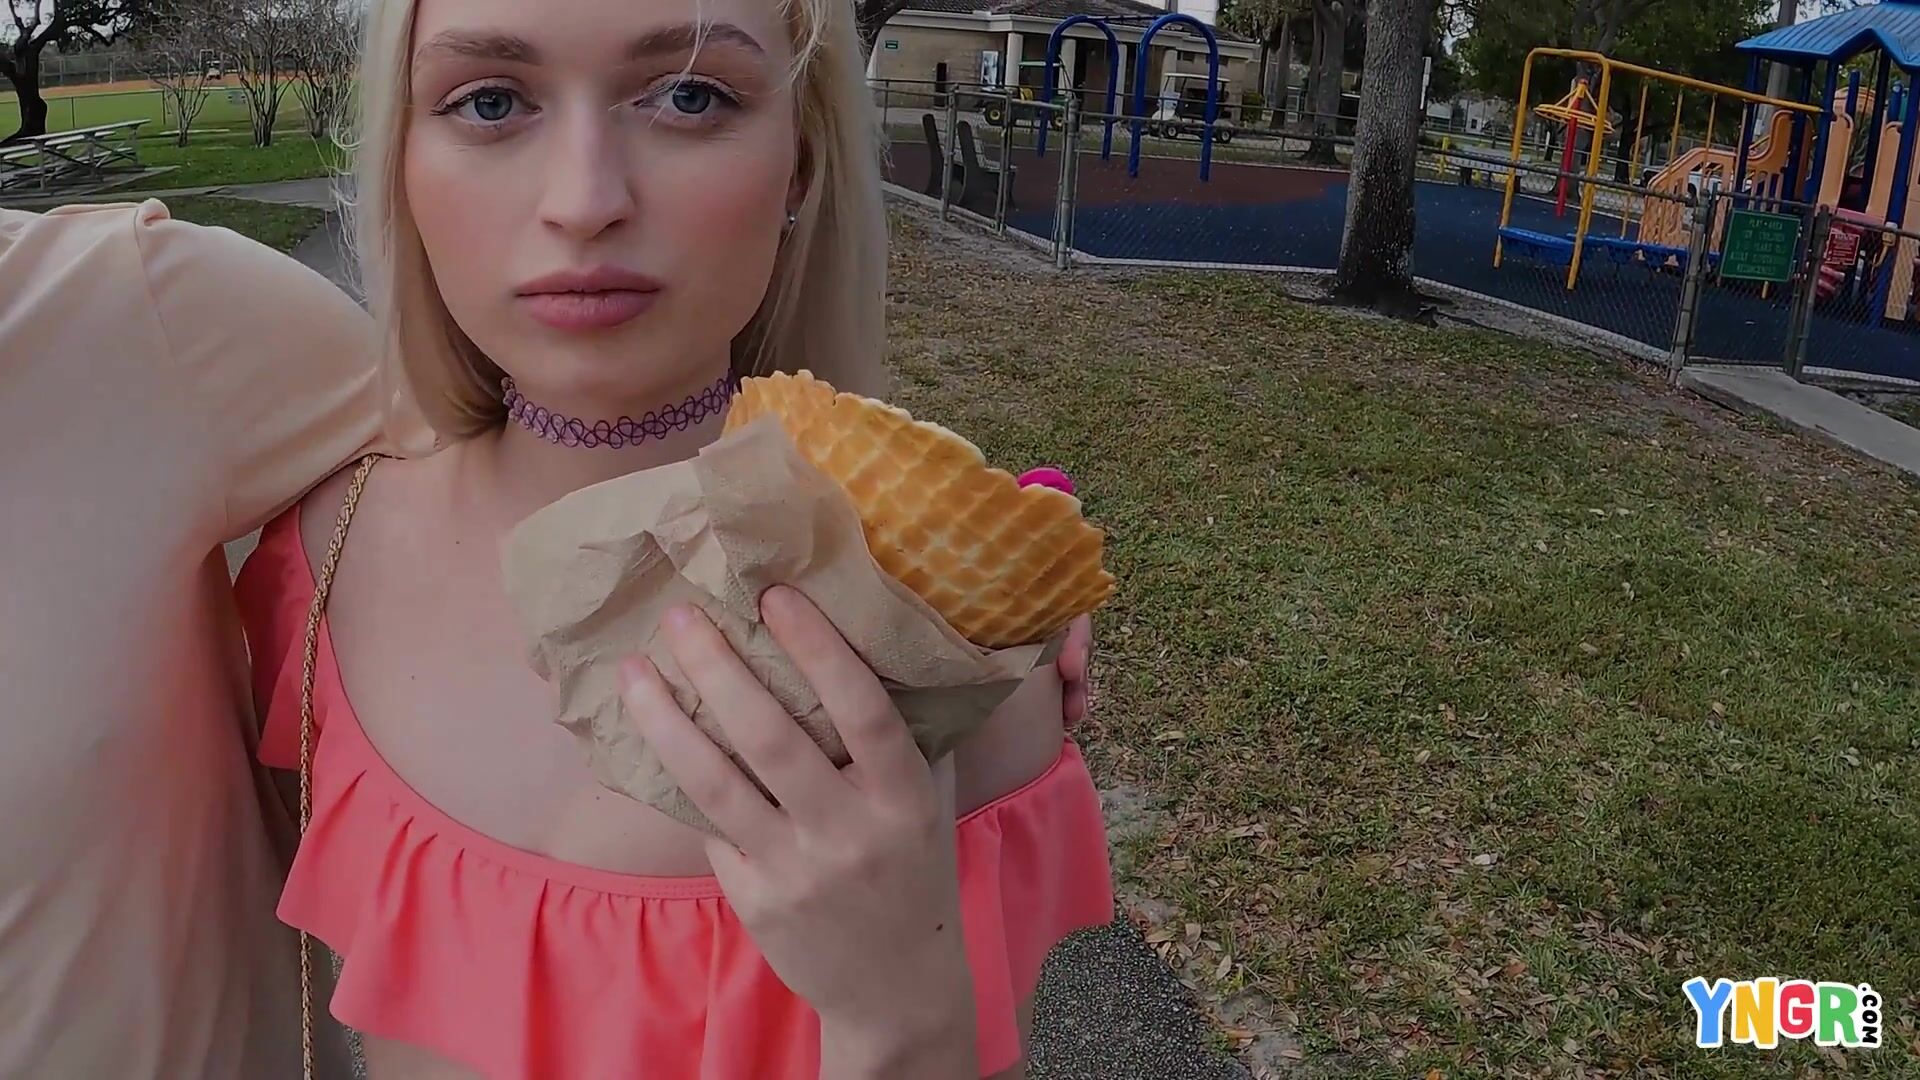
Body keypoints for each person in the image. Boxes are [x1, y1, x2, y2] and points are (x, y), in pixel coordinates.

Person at [0, 79, 1094, 1080]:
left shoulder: (124, 313)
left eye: (689, 94)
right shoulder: (322, 568)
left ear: (801, 160)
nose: (584, 201)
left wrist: (977, 555)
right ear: (401, 162)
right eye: (489, 101)